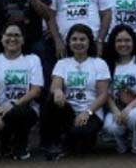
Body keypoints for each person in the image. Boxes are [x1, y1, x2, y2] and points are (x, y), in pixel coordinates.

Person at [40, 24, 110, 159]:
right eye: (74, 39)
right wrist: (58, 91)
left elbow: (103, 95)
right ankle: (51, 143)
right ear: (69, 42)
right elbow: (55, 85)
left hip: (91, 111)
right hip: (68, 110)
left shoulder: (99, 63)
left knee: (80, 138)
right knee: (51, 100)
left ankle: (76, 141)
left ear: (89, 42)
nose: (78, 43)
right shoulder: (63, 63)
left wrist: (87, 112)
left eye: (82, 39)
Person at [0, 23, 44, 160]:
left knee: (18, 112)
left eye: (17, 35)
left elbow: (36, 90)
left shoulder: (32, 59)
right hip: (0, 110)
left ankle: (21, 143)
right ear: (1, 38)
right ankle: (6, 141)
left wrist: (15, 104)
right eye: (8, 35)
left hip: (26, 109)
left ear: (23, 39)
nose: (12, 39)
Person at [103, 25, 136, 155]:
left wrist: (129, 108)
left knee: (135, 117)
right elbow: (105, 94)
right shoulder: (107, 64)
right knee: (110, 126)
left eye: (127, 40)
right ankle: (121, 143)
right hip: (116, 107)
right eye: (119, 41)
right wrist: (116, 111)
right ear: (113, 43)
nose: (123, 44)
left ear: (133, 42)